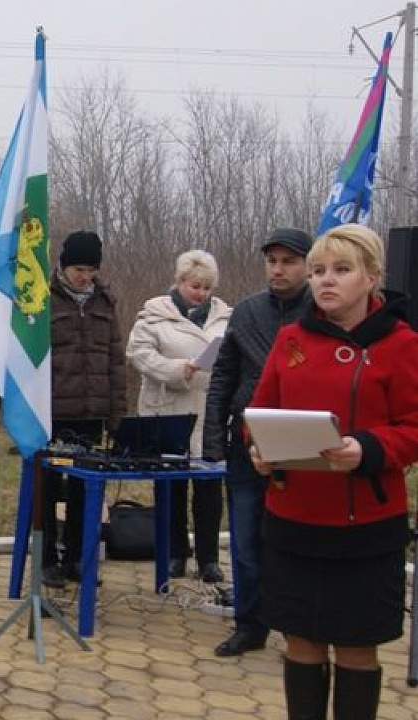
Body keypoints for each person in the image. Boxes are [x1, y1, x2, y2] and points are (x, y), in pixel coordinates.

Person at [246, 223, 418, 720]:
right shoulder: (291, 339)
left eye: (342, 270)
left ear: (372, 277)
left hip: (365, 529)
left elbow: (413, 426)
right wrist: (259, 448)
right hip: (293, 520)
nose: (326, 281)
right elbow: (259, 412)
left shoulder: (401, 344)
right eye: (319, 270)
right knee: (300, 641)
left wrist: (366, 448)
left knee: (357, 647)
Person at [203, 227, 313, 658]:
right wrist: (214, 440)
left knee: (296, 542)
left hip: (305, 444)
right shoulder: (246, 312)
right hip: (247, 442)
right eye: (273, 261)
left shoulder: (321, 312)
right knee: (246, 542)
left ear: (306, 264)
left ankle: (300, 627)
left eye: (289, 261)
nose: (279, 269)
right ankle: (251, 625)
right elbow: (224, 378)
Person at [127, 250, 231, 583]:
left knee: (209, 488)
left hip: (210, 411)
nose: (200, 293)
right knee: (171, 486)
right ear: (180, 281)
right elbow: (139, 354)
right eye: (194, 286)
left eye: (206, 287)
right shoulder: (154, 314)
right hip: (168, 409)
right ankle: (173, 554)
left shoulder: (226, 316)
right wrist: (177, 370)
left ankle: (208, 558)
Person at [40, 230, 126, 588]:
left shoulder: (105, 302)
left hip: (92, 413)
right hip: (53, 414)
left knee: (84, 491)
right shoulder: (43, 299)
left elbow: (116, 361)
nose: (85, 276)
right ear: (63, 265)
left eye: (91, 269)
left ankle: (77, 557)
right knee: (46, 489)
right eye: (78, 268)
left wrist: (116, 415)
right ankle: (46, 560)